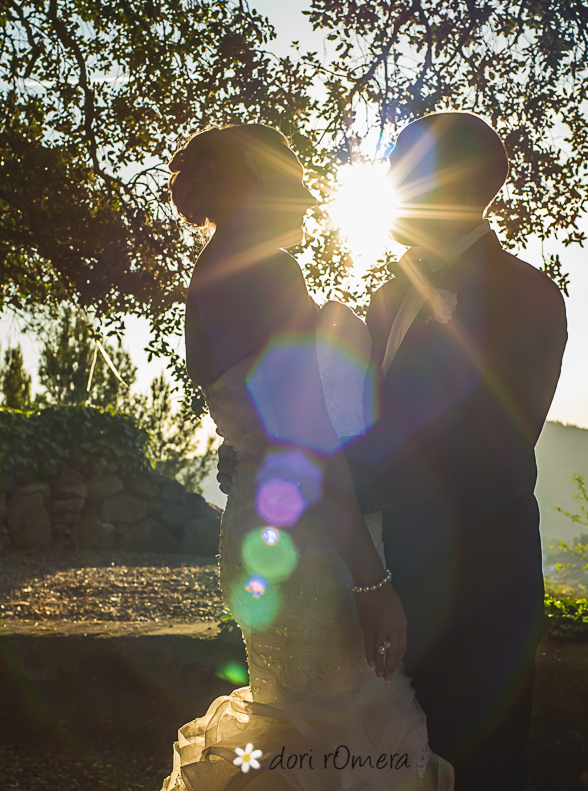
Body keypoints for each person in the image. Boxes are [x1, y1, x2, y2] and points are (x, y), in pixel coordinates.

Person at [218, 112, 568, 789]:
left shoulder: (528, 295)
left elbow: (490, 447)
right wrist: (279, 453)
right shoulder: (385, 296)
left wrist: (323, 463)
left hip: (480, 587)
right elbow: (361, 423)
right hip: (388, 572)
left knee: (481, 769)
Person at [161, 124, 453, 791]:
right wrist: (371, 583)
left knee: (293, 734)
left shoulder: (212, 272)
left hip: (258, 522)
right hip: (311, 547)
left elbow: (252, 416)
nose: (304, 198)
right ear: (252, 187)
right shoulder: (266, 270)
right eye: (290, 182)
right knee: (337, 741)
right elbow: (308, 444)